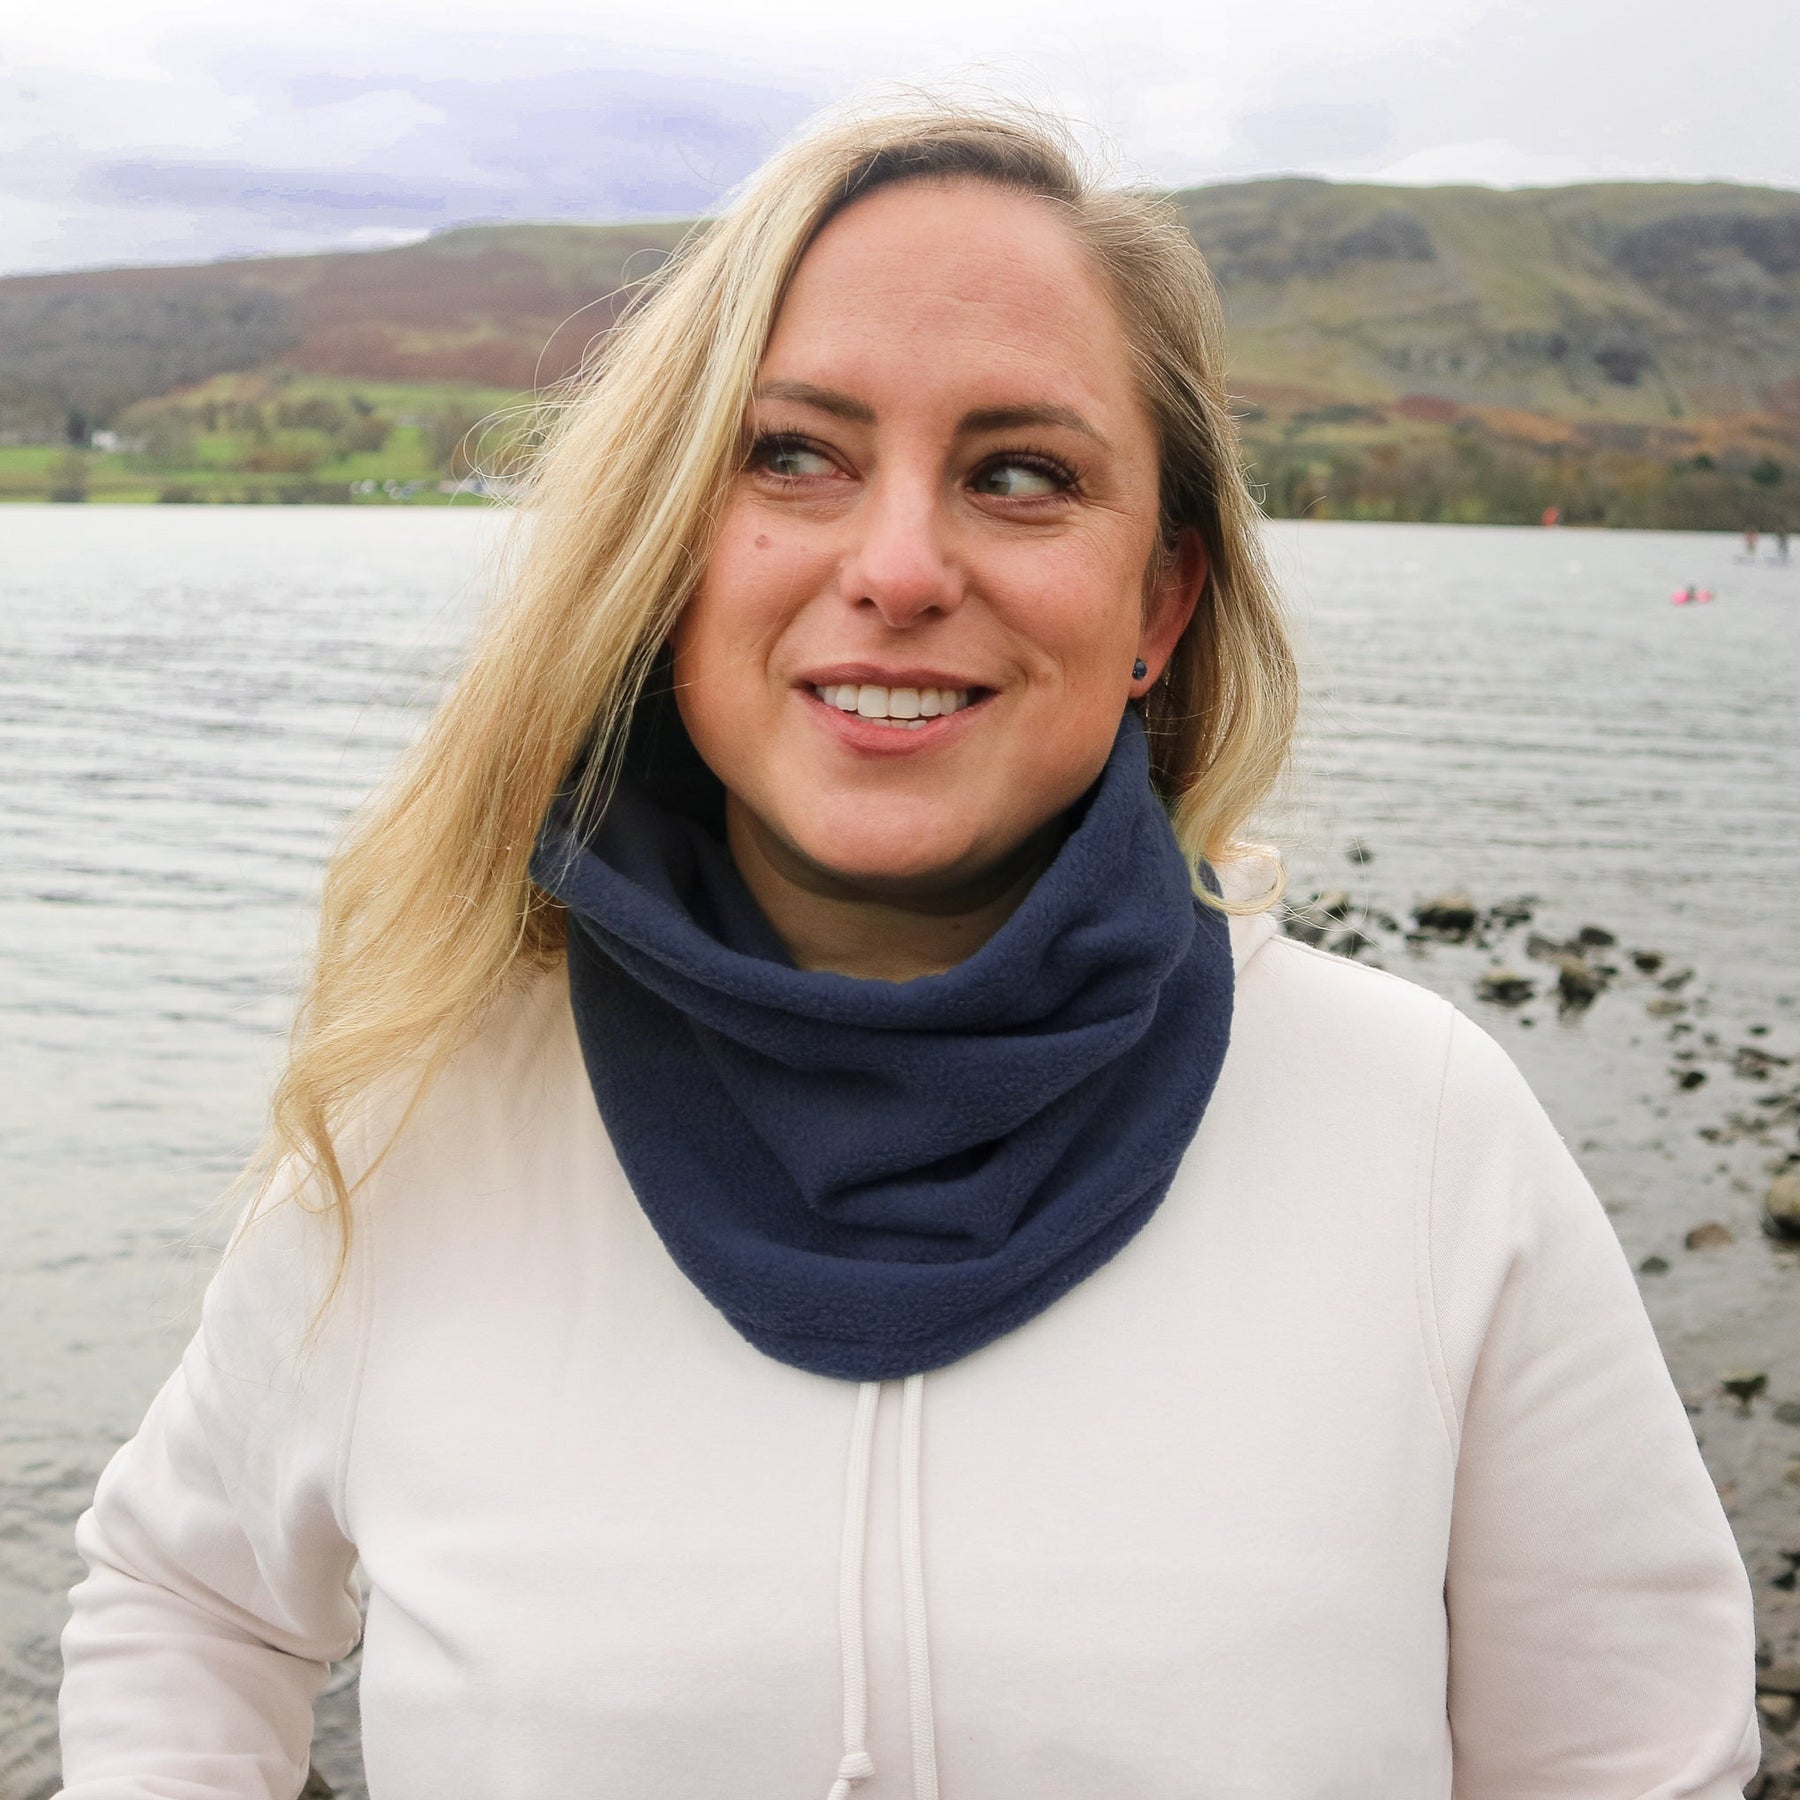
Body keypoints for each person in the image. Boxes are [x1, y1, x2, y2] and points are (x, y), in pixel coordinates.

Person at [57, 103, 1758, 1799]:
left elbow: (1636, 1757)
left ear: (1159, 605)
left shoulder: (1426, 1134)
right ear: (667, 545)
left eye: (1021, 475)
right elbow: (184, 1604)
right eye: (793, 456)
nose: (897, 568)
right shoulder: (426, 1115)